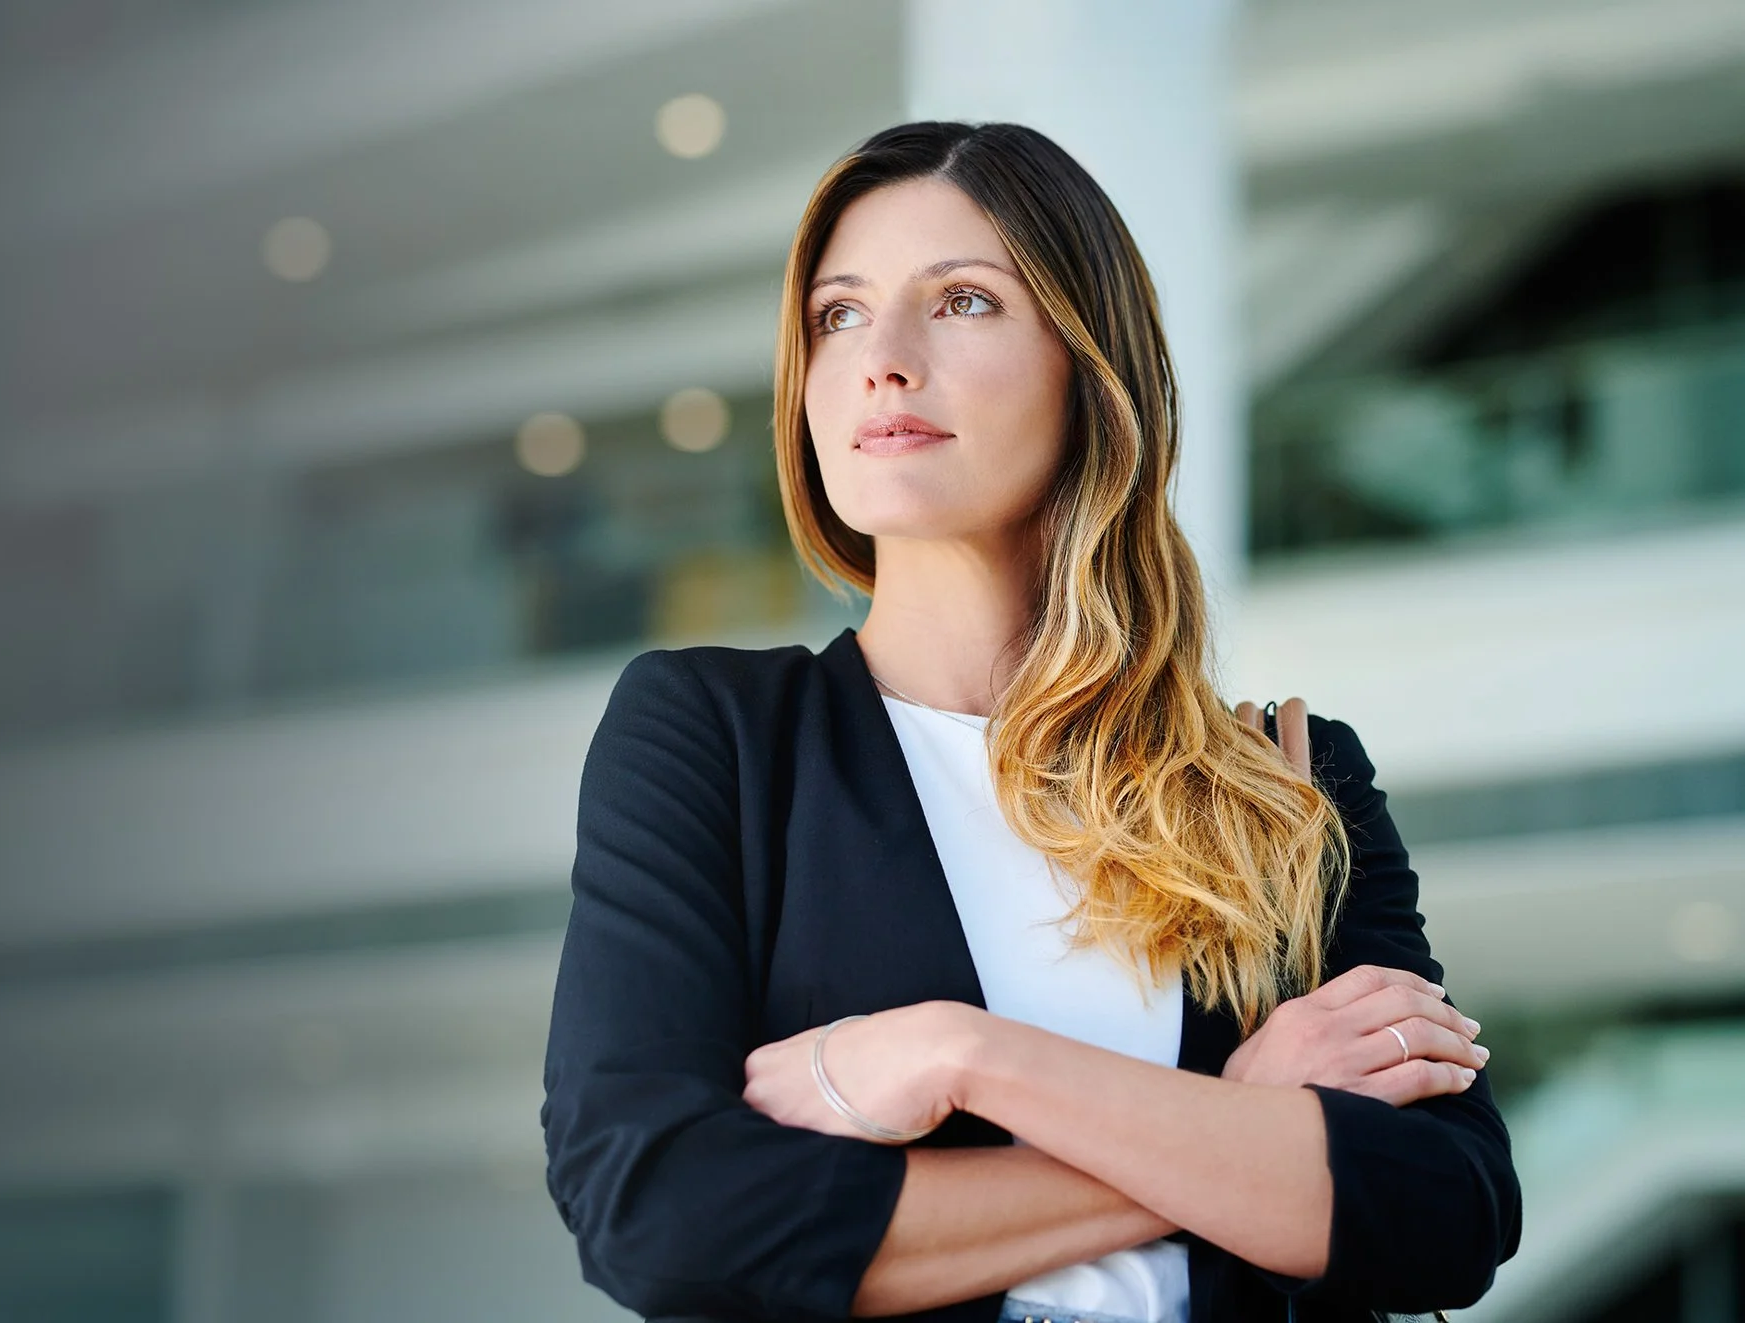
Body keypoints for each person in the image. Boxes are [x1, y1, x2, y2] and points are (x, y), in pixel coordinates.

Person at [538, 122, 1521, 1323]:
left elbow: (1445, 1214)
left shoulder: (1277, 779)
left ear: (1085, 363)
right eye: (839, 315)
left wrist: (966, 1055)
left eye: (960, 301)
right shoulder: (715, 738)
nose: (882, 360)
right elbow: (661, 1217)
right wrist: (1239, 1130)